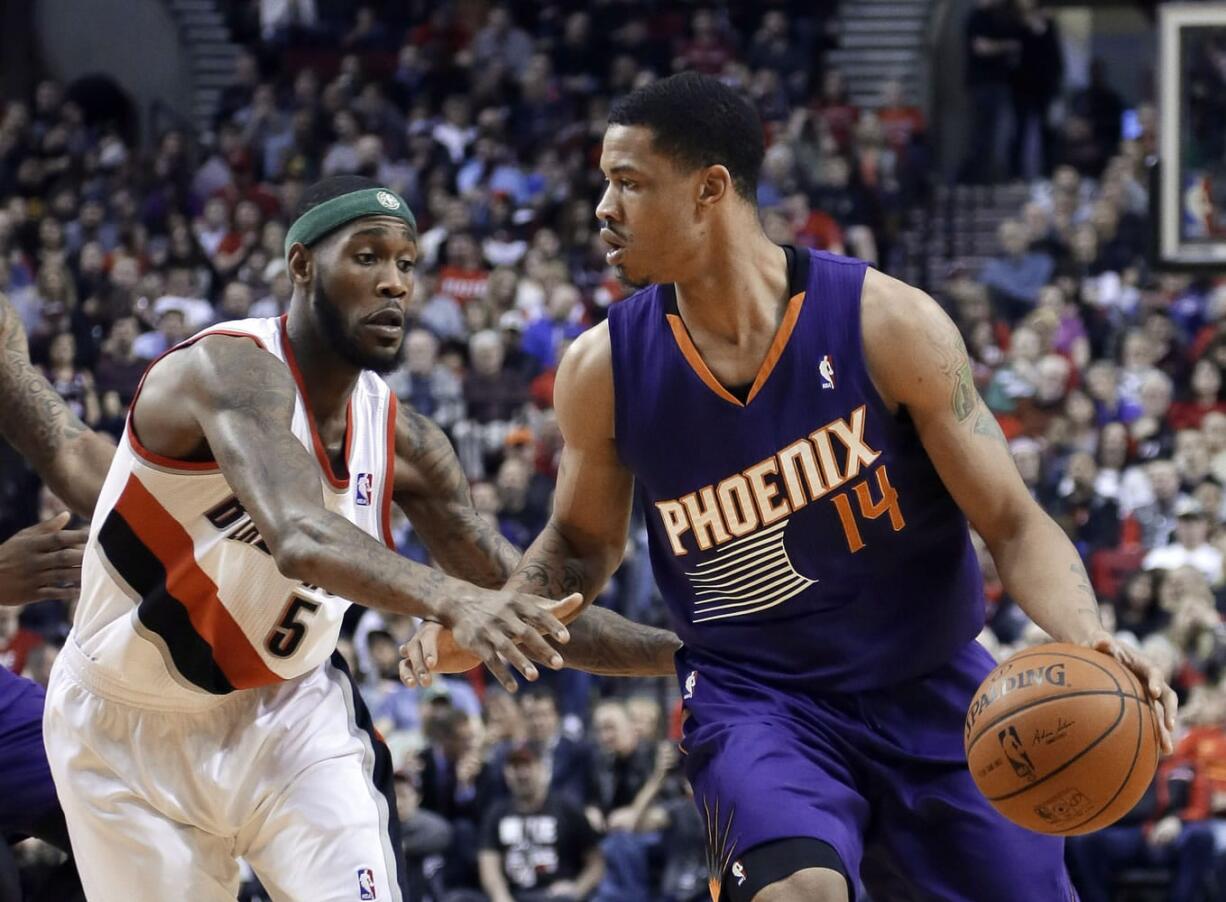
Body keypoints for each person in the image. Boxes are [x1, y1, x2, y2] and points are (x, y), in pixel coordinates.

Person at [404, 73, 1177, 901]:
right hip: (759, 705)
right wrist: (507, 610)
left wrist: (1091, 635)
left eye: (628, 183)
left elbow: (1013, 523)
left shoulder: (888, 324)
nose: (602, 207)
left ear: (710, 191)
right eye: (605, 182)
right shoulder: (603, 370)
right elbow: (583, 543)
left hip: (933, 686)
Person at [38, 175, 586, 902]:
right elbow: (298, 535)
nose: (394, 282)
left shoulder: (408, 442)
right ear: (301, 266)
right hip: (125, 725)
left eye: (408, 263)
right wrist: (454, 601)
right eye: (368, 257)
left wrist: (708, 651)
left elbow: (530, 594)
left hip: (289, 713)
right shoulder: (226, 368)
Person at [478, 741, 605, 902]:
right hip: (514, 895)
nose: (522, 774)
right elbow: (488, 864)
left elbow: (596, 863)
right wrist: (500, 896)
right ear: (506, 774)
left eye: (528, 766)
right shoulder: (496, 813)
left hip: (553, 896)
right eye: (515, 767)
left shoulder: (567, 809)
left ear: (543, 770)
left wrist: (577, 890)